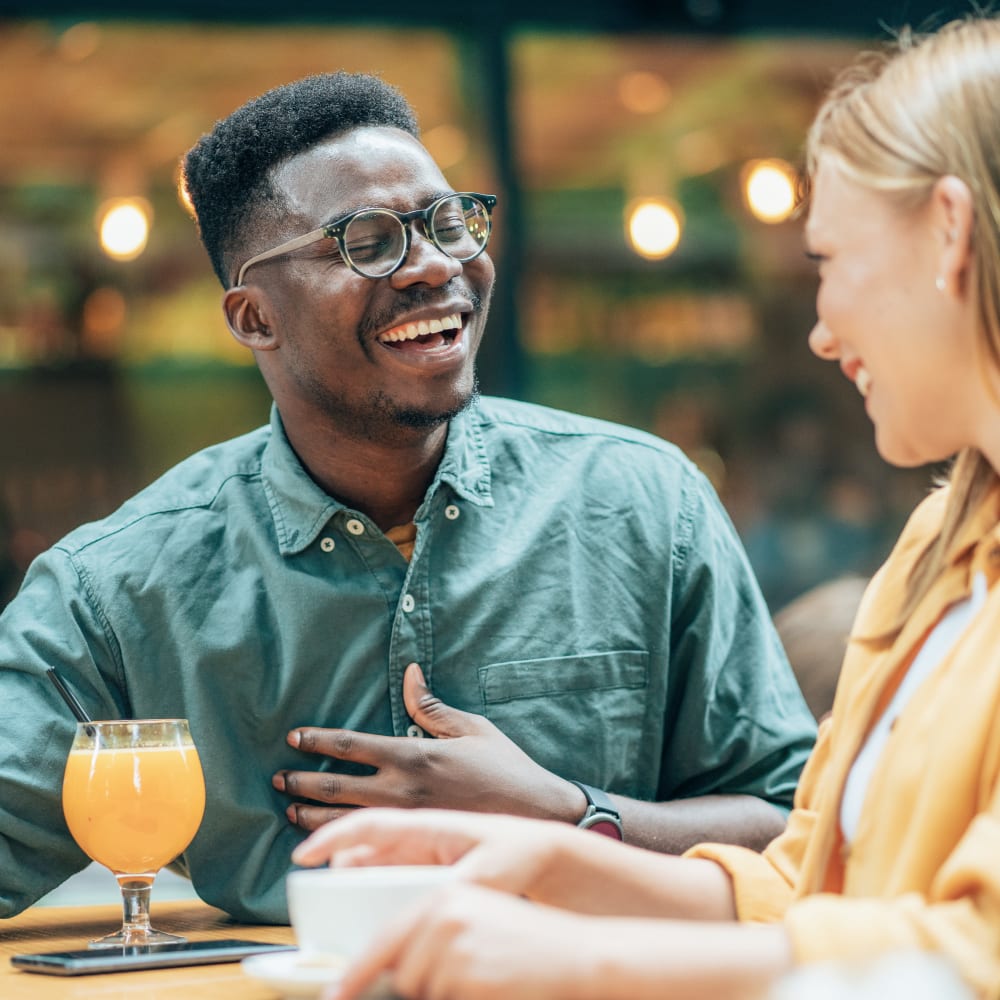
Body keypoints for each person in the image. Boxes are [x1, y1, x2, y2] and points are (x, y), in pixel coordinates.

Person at [291, 17, 1000, 999]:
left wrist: (575, 960)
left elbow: (973, 954)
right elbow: (806, 889)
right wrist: (540, 854)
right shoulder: (944, 544)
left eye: (828, 262)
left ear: (951, 230)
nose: (821, 330)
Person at [0, 72, 814, 925]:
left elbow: (801, 833)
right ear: (251, 318)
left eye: (447, 222)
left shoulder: (646, 507)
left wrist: (566, 818)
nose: (433, 264)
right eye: (367, 241)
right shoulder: (121, 589)